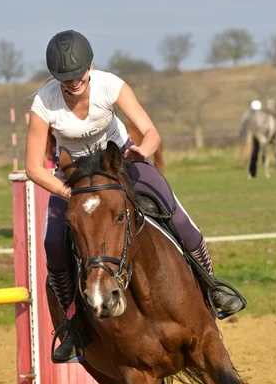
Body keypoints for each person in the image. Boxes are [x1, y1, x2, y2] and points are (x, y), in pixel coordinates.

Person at [25, 30, 246, 362]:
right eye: (64, 78)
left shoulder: (110, 85)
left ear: (90, 66)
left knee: (179, 219)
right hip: (74, 177)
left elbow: (151, 131)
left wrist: (144, 150)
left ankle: (212, 289)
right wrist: (70, 192)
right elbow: (33, 168)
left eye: (77, 75)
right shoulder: (44, 102)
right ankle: (72, 324)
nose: (72, 83)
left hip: (122, 161)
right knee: (53, 244)